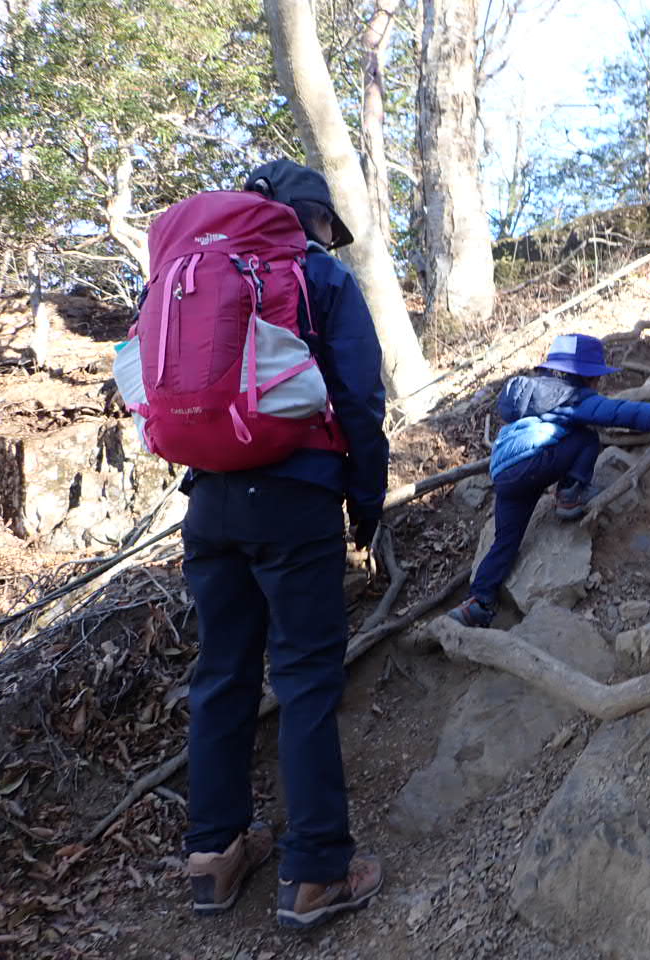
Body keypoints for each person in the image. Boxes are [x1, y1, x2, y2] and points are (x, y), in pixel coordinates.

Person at [181, 159, 386, 930]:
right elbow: (359, 397)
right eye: (331, 224)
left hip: (209, 500)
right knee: (304, 679)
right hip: (296, 497)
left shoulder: (196, 272)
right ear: (318, 219)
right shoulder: (321, 275)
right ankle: (317, 873)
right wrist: (366, 500)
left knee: (221, 674)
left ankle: (213, 856)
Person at [449, 333, 650, 628]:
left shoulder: (535, 394)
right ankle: (569, 495)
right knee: (587, 437)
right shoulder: (573, 397)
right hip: (532, 462)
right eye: (597, 377)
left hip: (504, 473)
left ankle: (478, 602)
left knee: (505, 541)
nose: (599, 383)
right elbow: (615, 412)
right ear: (588, 377)